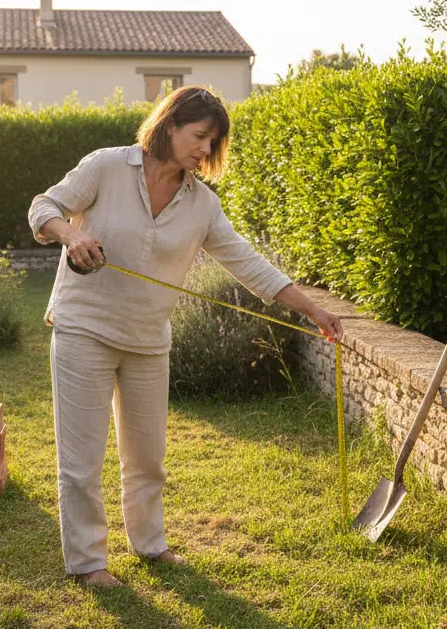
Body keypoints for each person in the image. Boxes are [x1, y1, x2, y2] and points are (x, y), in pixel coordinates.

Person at [26, 85, 345, 588]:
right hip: (83, 329)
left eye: (213, 142)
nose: (205, 149)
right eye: (199, 136)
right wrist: (72, 234)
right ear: (169, 125)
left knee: (147, 457)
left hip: (149, 339)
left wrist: (314, 310)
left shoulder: (202, 204)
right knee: (82, 457)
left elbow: (249, 264)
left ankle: (150, 546)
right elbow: (43, 207)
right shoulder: (107, 166)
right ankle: (88, 563)